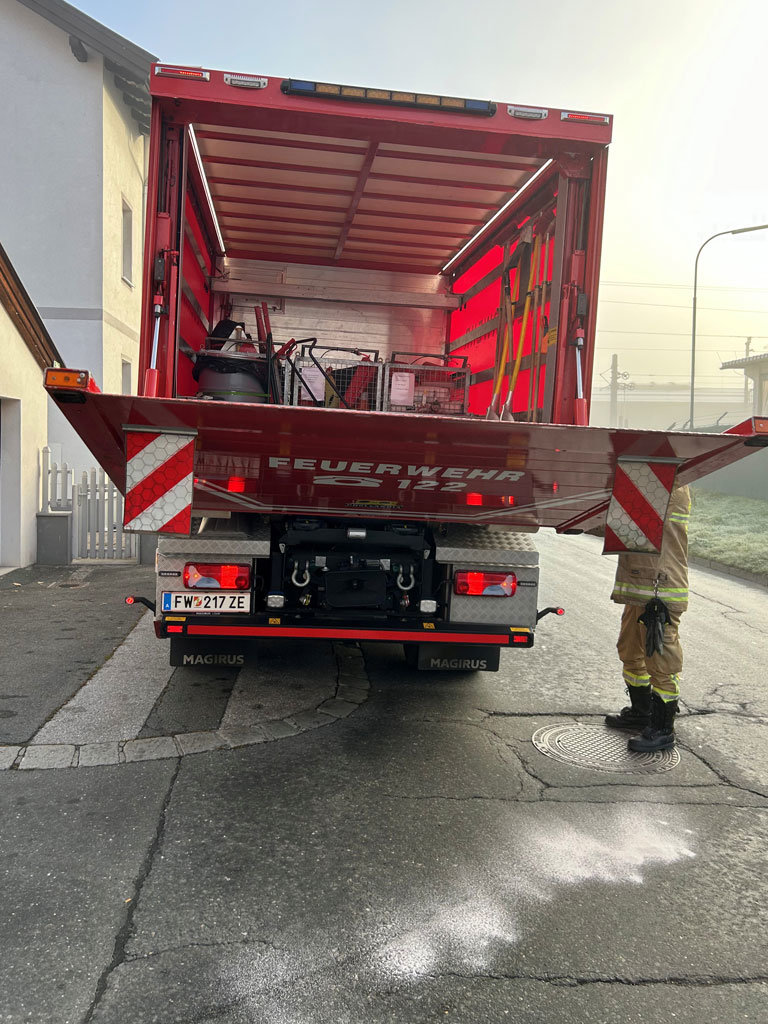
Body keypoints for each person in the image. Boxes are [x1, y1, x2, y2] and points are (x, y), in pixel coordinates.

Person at [605, 483, 691, 751]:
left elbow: (629, 524)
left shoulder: (668, 488)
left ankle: (663, 729)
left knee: (661, 663)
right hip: (639, 590)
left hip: (659, 593)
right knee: (630, 652)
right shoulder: (647, 486)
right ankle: (641, 712)